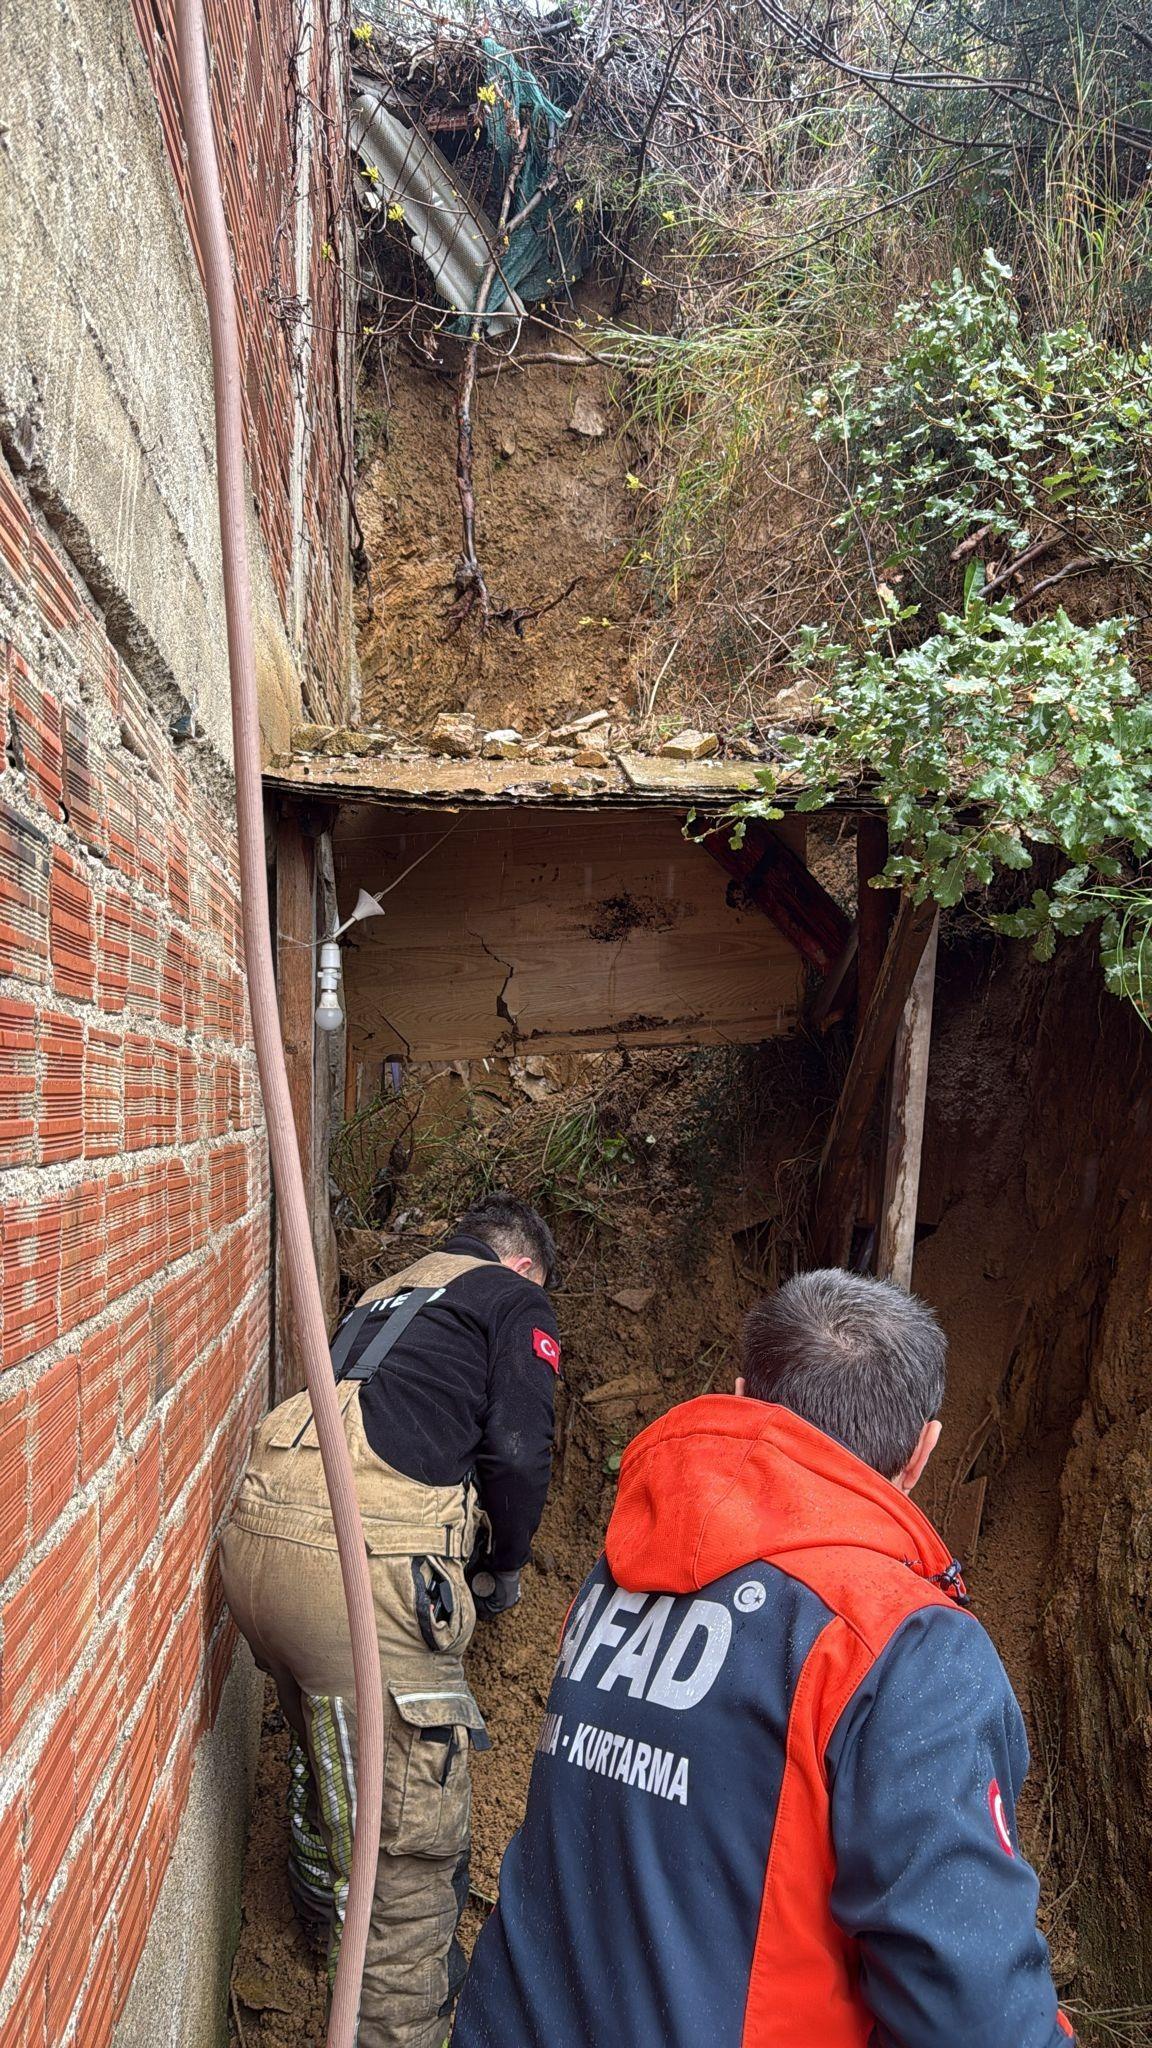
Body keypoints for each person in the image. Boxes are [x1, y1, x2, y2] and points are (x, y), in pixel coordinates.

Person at [455, 1266, 1075, 2048]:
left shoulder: (617, 1575)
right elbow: (975, 2017)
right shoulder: (901, 1645)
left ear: (742, 1399)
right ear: (923, 1451)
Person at [220, 1193, 561, 2048]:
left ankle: (319, 1923)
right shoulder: (513, 1299)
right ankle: (388, 2022)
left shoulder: (388, 1293)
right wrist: (505, 1565)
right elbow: (518, 1452)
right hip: (355, 1572)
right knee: (409, 1862)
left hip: (255, 1547)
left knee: (329, 1758)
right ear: (523, 1265)